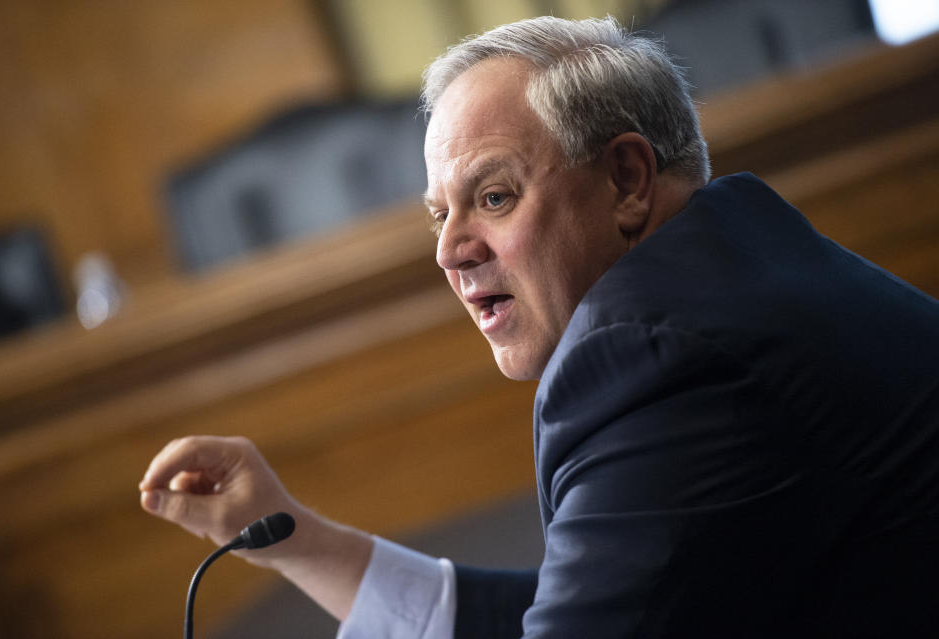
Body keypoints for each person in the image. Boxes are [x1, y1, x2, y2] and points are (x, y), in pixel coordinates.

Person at [139, 16, 939, 638]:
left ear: (627, 179)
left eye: (493, 197)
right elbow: (613, 601)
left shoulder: (656, 352)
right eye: (438, 214)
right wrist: (296, 540)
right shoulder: (739, 262)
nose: (451, 251)